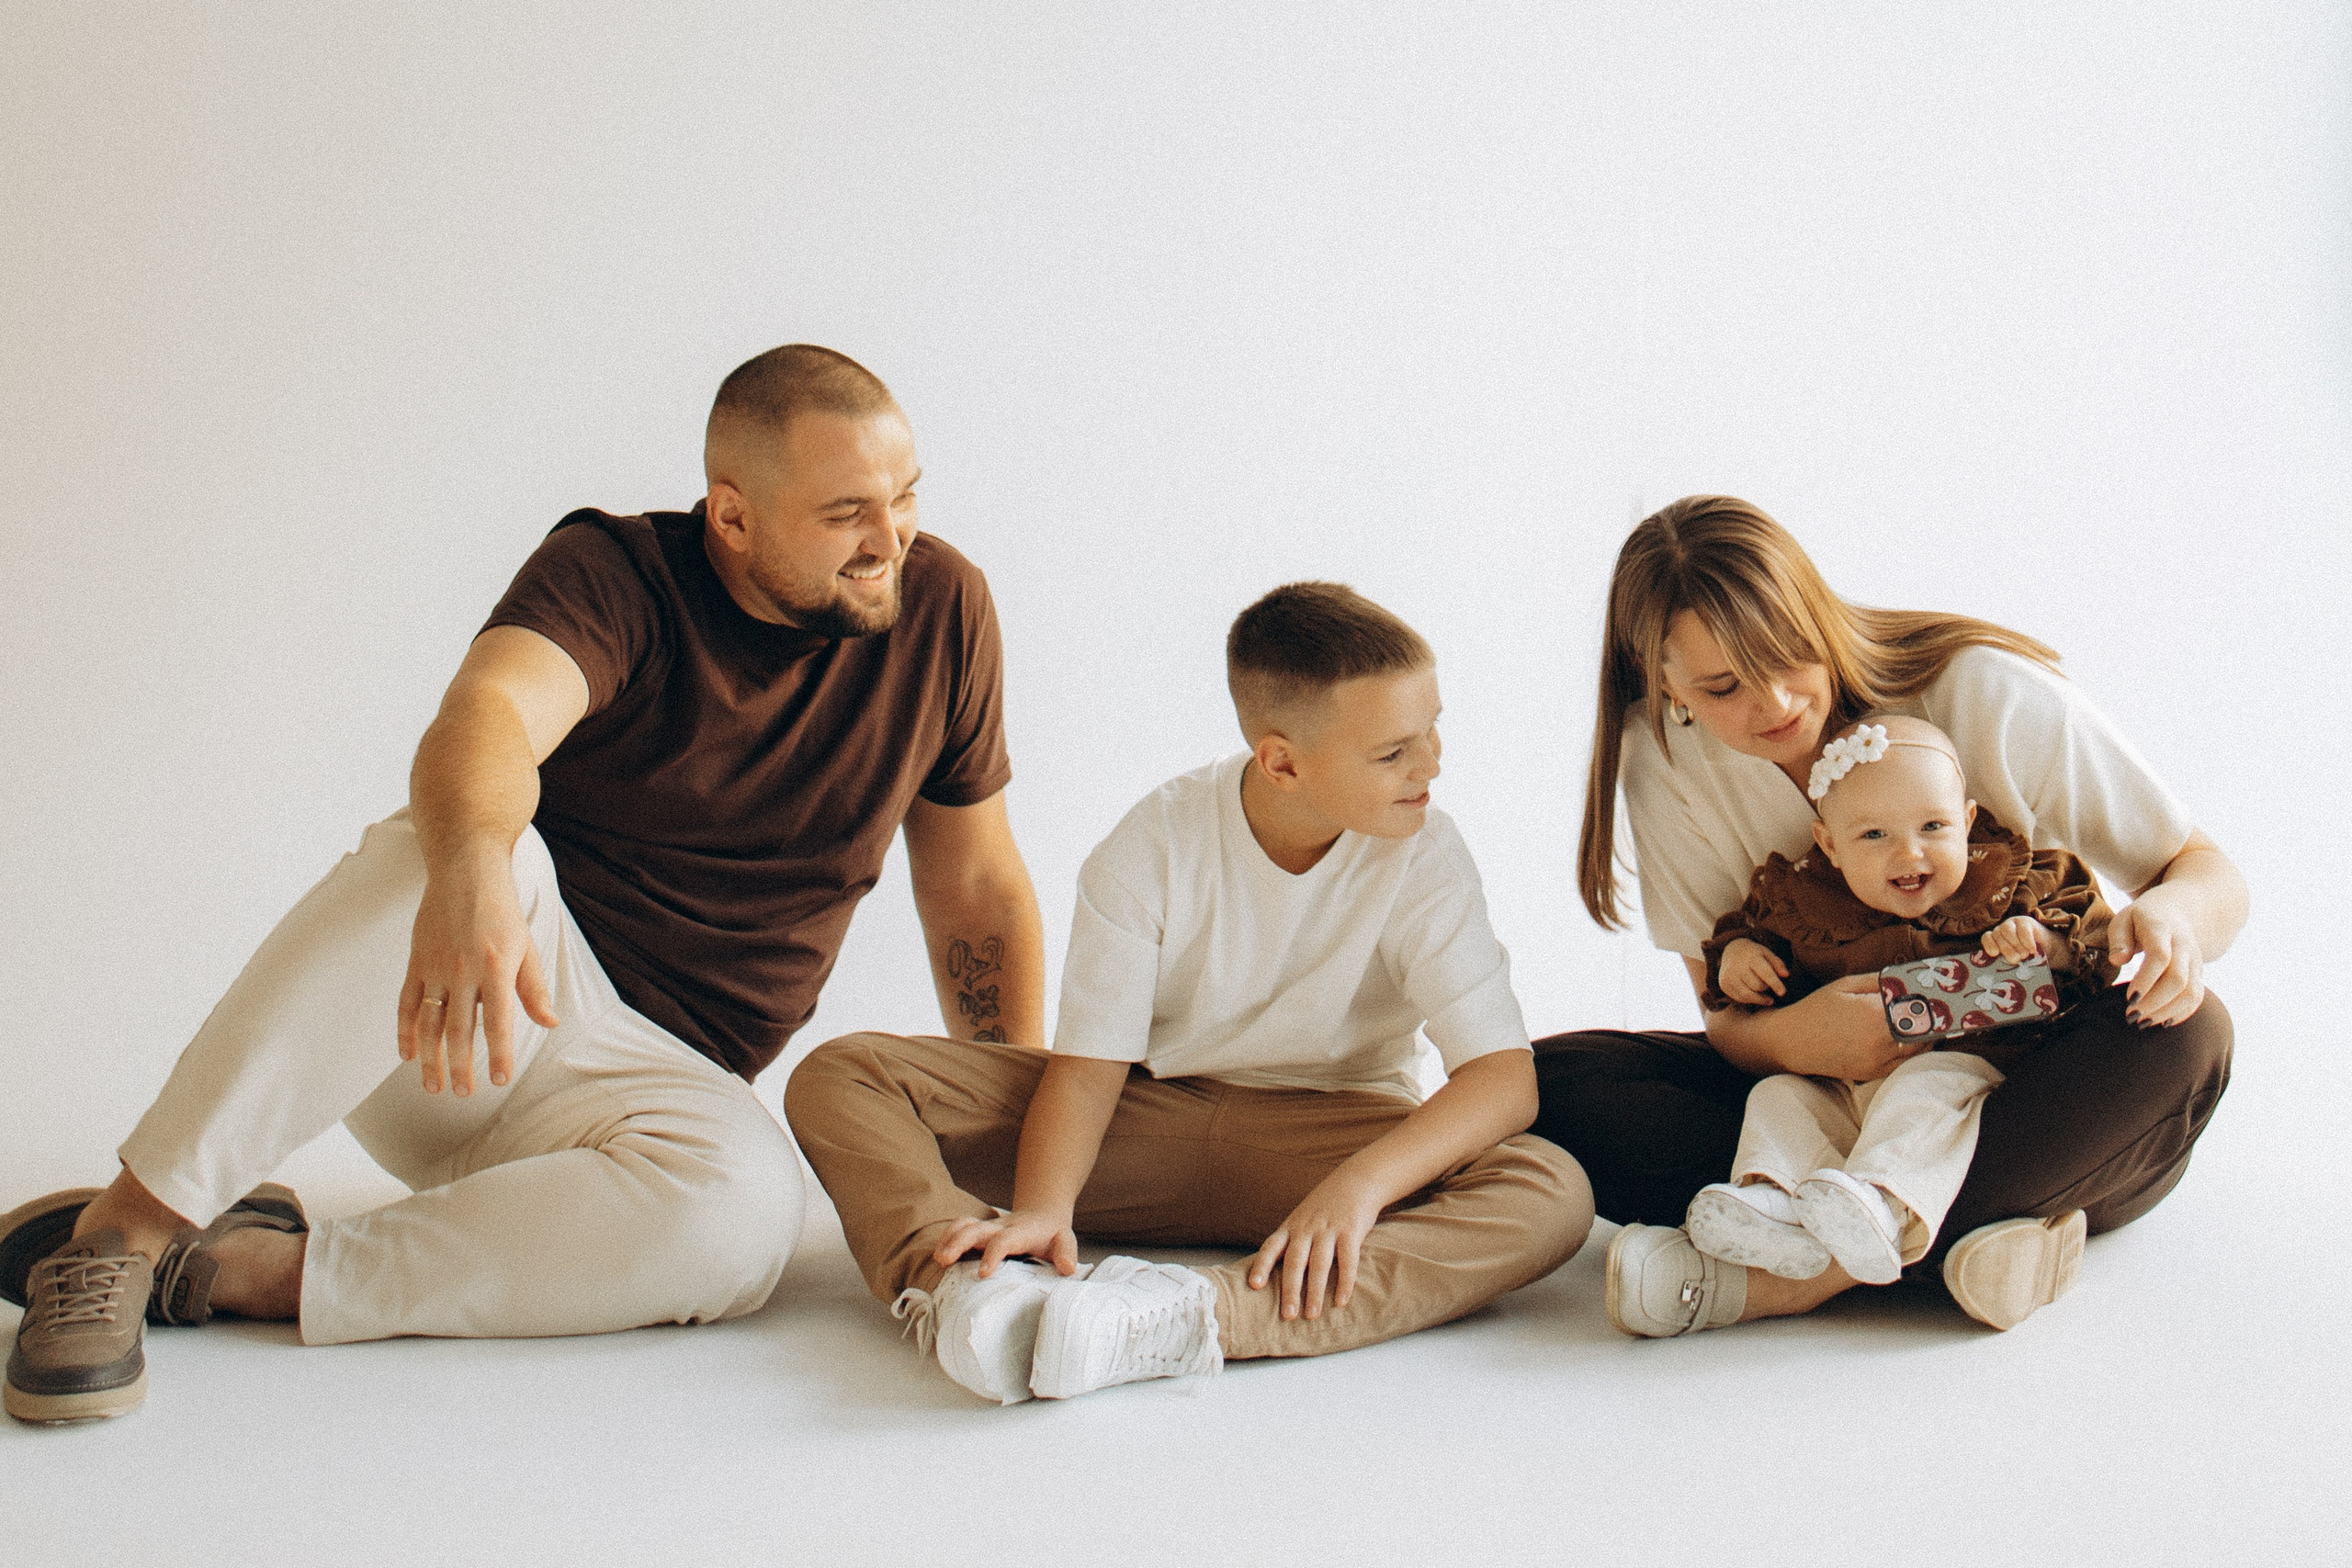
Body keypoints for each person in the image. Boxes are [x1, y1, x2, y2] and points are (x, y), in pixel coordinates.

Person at [2, 344, 1046, 1424]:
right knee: (447, 846)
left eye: (906, 496)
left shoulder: (942, 612)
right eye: (846, 516)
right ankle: (124, 1234)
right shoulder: (618, 573)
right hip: (477, 1015)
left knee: (748, 1215)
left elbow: (974, 888)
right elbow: (487, 716)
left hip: (658, 1095)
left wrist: (1012, 1128)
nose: (891, 541)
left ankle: (241, 1275)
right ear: (731, 518)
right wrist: (471, 876)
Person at [783, 582, 1591, 1404]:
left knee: (1552, 1192)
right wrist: (1041, 1210)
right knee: (841, 1074)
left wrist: (1358, 1187)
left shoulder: (1426, 854)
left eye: (1432, 731)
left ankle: (1191, 1316)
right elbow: (1089, 1070)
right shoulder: (1152, 845)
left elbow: (1502, 1078)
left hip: (1328, 1138)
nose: (1432, 765)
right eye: (1393, 752)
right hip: (1145, 1121)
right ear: (1282, 761)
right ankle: (972, 1291)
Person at [1531, 495, 2243, 1339]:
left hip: (2028, 1089)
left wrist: (2169, 916)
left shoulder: (1979, 691)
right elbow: (1725, 1017)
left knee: (2189, 1036)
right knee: (1543, 1084)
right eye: (1722, 686)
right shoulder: (1666, 760)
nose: (1775, 702)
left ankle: (1801, 1278)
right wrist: (1801, 1039)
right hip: (1831, 1092)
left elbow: (2206, 871)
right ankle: (1983, 1244)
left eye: (1788, 655)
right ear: (1667, 685)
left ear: (1817, 614)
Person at [1657, 715, 2115, 1324]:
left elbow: (2093, 952)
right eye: (1874, 834)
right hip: (1841, 1079)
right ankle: (1771, 1204)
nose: (1910, 852)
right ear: (1829, 843)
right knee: (1779, 1095)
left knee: (1923, 1094)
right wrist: (1739, 959)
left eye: (1933, 826)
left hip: (1961, 1071)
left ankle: (1882, 1204)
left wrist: (2041, 941)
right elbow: (1740, 938)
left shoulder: (2005, 883)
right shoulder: (1804, 896)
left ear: (1968, 820)